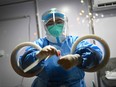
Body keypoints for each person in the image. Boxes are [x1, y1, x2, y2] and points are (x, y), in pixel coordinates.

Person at [19, 8, 102, 87]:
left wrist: (77, 59)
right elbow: (24, 65)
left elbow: (96, 55)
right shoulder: (39, 44)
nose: (55, 25)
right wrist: (38, 55)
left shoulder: (75, 41)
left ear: (65, 23)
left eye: (59, 21)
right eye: (50, 23)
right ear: (45, 26)